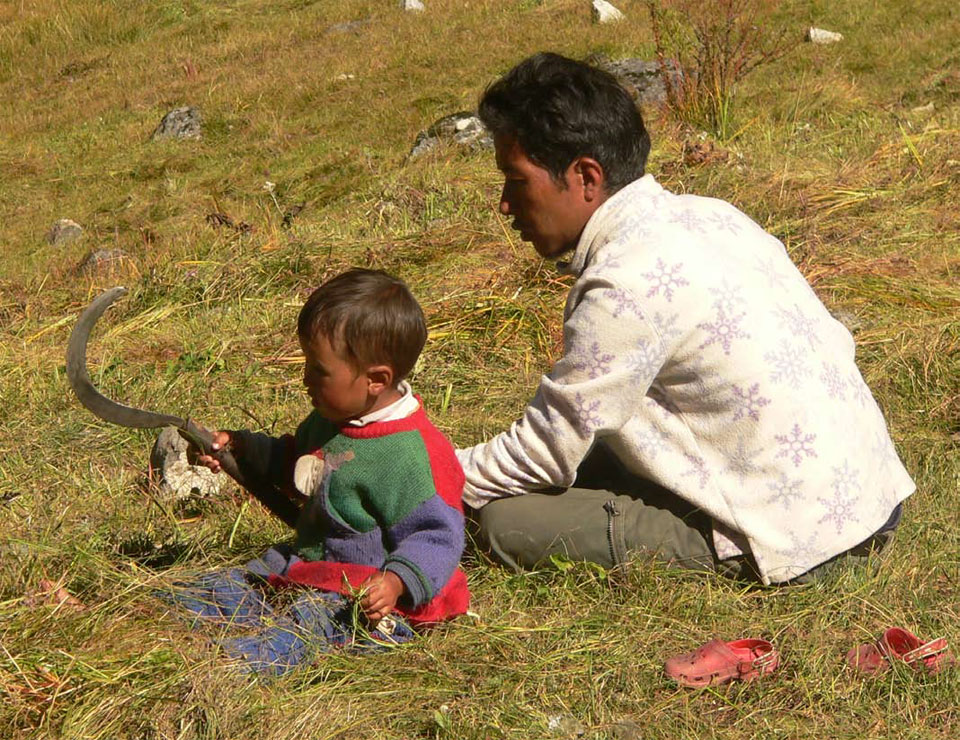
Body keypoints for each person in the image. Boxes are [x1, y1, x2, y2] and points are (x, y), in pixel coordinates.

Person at [457, 52, 913, 585]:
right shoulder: (711, 213)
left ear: (585, 176)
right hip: (870, 494)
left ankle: (731, 551)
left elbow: (545, 455)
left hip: (805, 539)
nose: (505, 205)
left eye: (515, 181)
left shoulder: (622, 283)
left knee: (506, 521)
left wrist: (417, 476)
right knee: (596, 454)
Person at [171, 268, 469, 674]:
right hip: (311, 565)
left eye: (319, 370)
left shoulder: (413, 455)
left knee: (304, 628)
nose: (305, 379)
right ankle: (147, 613)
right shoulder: (332, 420)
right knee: (233, 586)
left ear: (375, 380)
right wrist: (241, 448)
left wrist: (396, 581)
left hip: (362, 594)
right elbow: (298, 463)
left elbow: (437, 537)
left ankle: (225, 668)